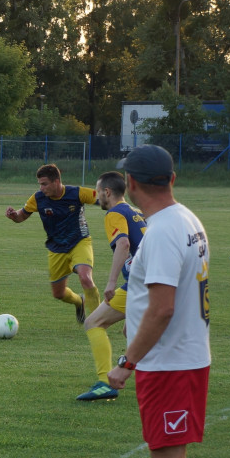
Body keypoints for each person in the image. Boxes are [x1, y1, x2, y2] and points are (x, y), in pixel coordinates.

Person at [106, 144, 210, 458]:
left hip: (170, 364)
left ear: (130, 184)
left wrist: (126, 363)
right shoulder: (186, 219)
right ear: (172, 178)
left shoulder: (165, 230)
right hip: (179, 359)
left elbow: (162, 308)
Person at [76, 171, 147, 402]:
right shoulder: (135, 213)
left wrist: (111, 282)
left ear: (107, 192)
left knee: (93, 322)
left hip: (139, 282)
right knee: (131, 332)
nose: (97, 196)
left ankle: (105, 383)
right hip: (150, 281)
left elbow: (124, 244)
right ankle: (160, 379)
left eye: (98, 191)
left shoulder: (115, 213)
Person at [5, 164, 100, 323]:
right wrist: (14, 215)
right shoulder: (37, 198)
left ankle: (99, 320)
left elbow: (105, 199)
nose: (41, 188)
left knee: (85, 277)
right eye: (40, 184)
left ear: (56, 181)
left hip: (79, 242)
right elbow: (21, 216)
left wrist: (122, 207)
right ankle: (79, 301)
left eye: (44, 184)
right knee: (58, 293)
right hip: (56, 248)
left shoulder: (77, 193)